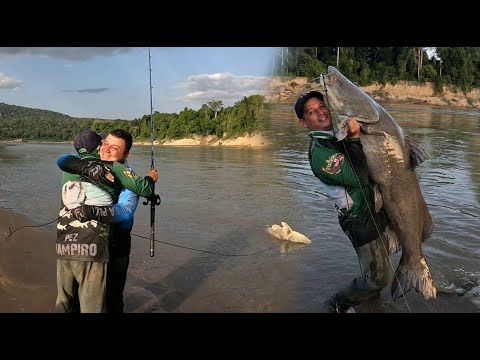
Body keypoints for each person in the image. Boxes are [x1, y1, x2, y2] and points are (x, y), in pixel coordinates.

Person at [295, 90, 397, 313]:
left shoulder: (333, 136)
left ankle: (371, 303)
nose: (320, 112)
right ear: (304, 123)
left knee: (377, 267)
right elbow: (359, 177)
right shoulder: (321, 153)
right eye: (311, 112)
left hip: (371, 208)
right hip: (359, 219)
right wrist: (352, 138)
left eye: (321, 106)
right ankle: (335, 305)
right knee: (377, 278)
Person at [56, 129, 158, 313]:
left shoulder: (126, 173)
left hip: (116, 242)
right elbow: (63, 159)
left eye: (115, 148)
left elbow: (125, 211)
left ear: (126, 154)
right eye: (105, 144)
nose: (107, 149)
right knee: (84, 300)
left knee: (111, 296)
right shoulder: (85, 164)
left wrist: (92, 211)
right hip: (94, 240)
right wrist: (86, 167)